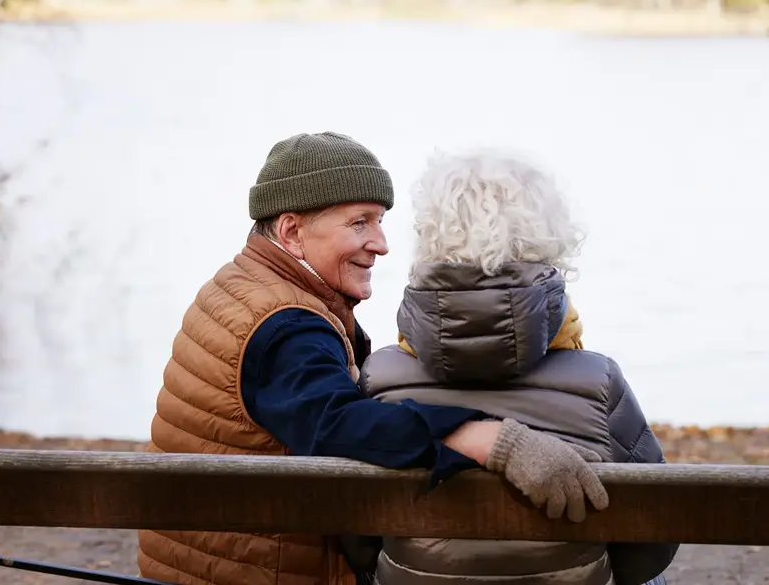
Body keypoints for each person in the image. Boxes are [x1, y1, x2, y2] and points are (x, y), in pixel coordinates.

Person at [136, 133, 610, 585]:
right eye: (359, 222)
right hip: (257, 571)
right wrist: (482, 437)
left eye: (381, 221)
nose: (381, 243)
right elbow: (335, 426)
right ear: (292, 231)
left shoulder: (244, 286)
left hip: (205, 559)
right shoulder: (285, 324)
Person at [359, 148, 679, 585]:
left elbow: (356, 541)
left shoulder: (380, 379)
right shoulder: (599, 382)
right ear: (547, 240)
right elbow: (651, 543)